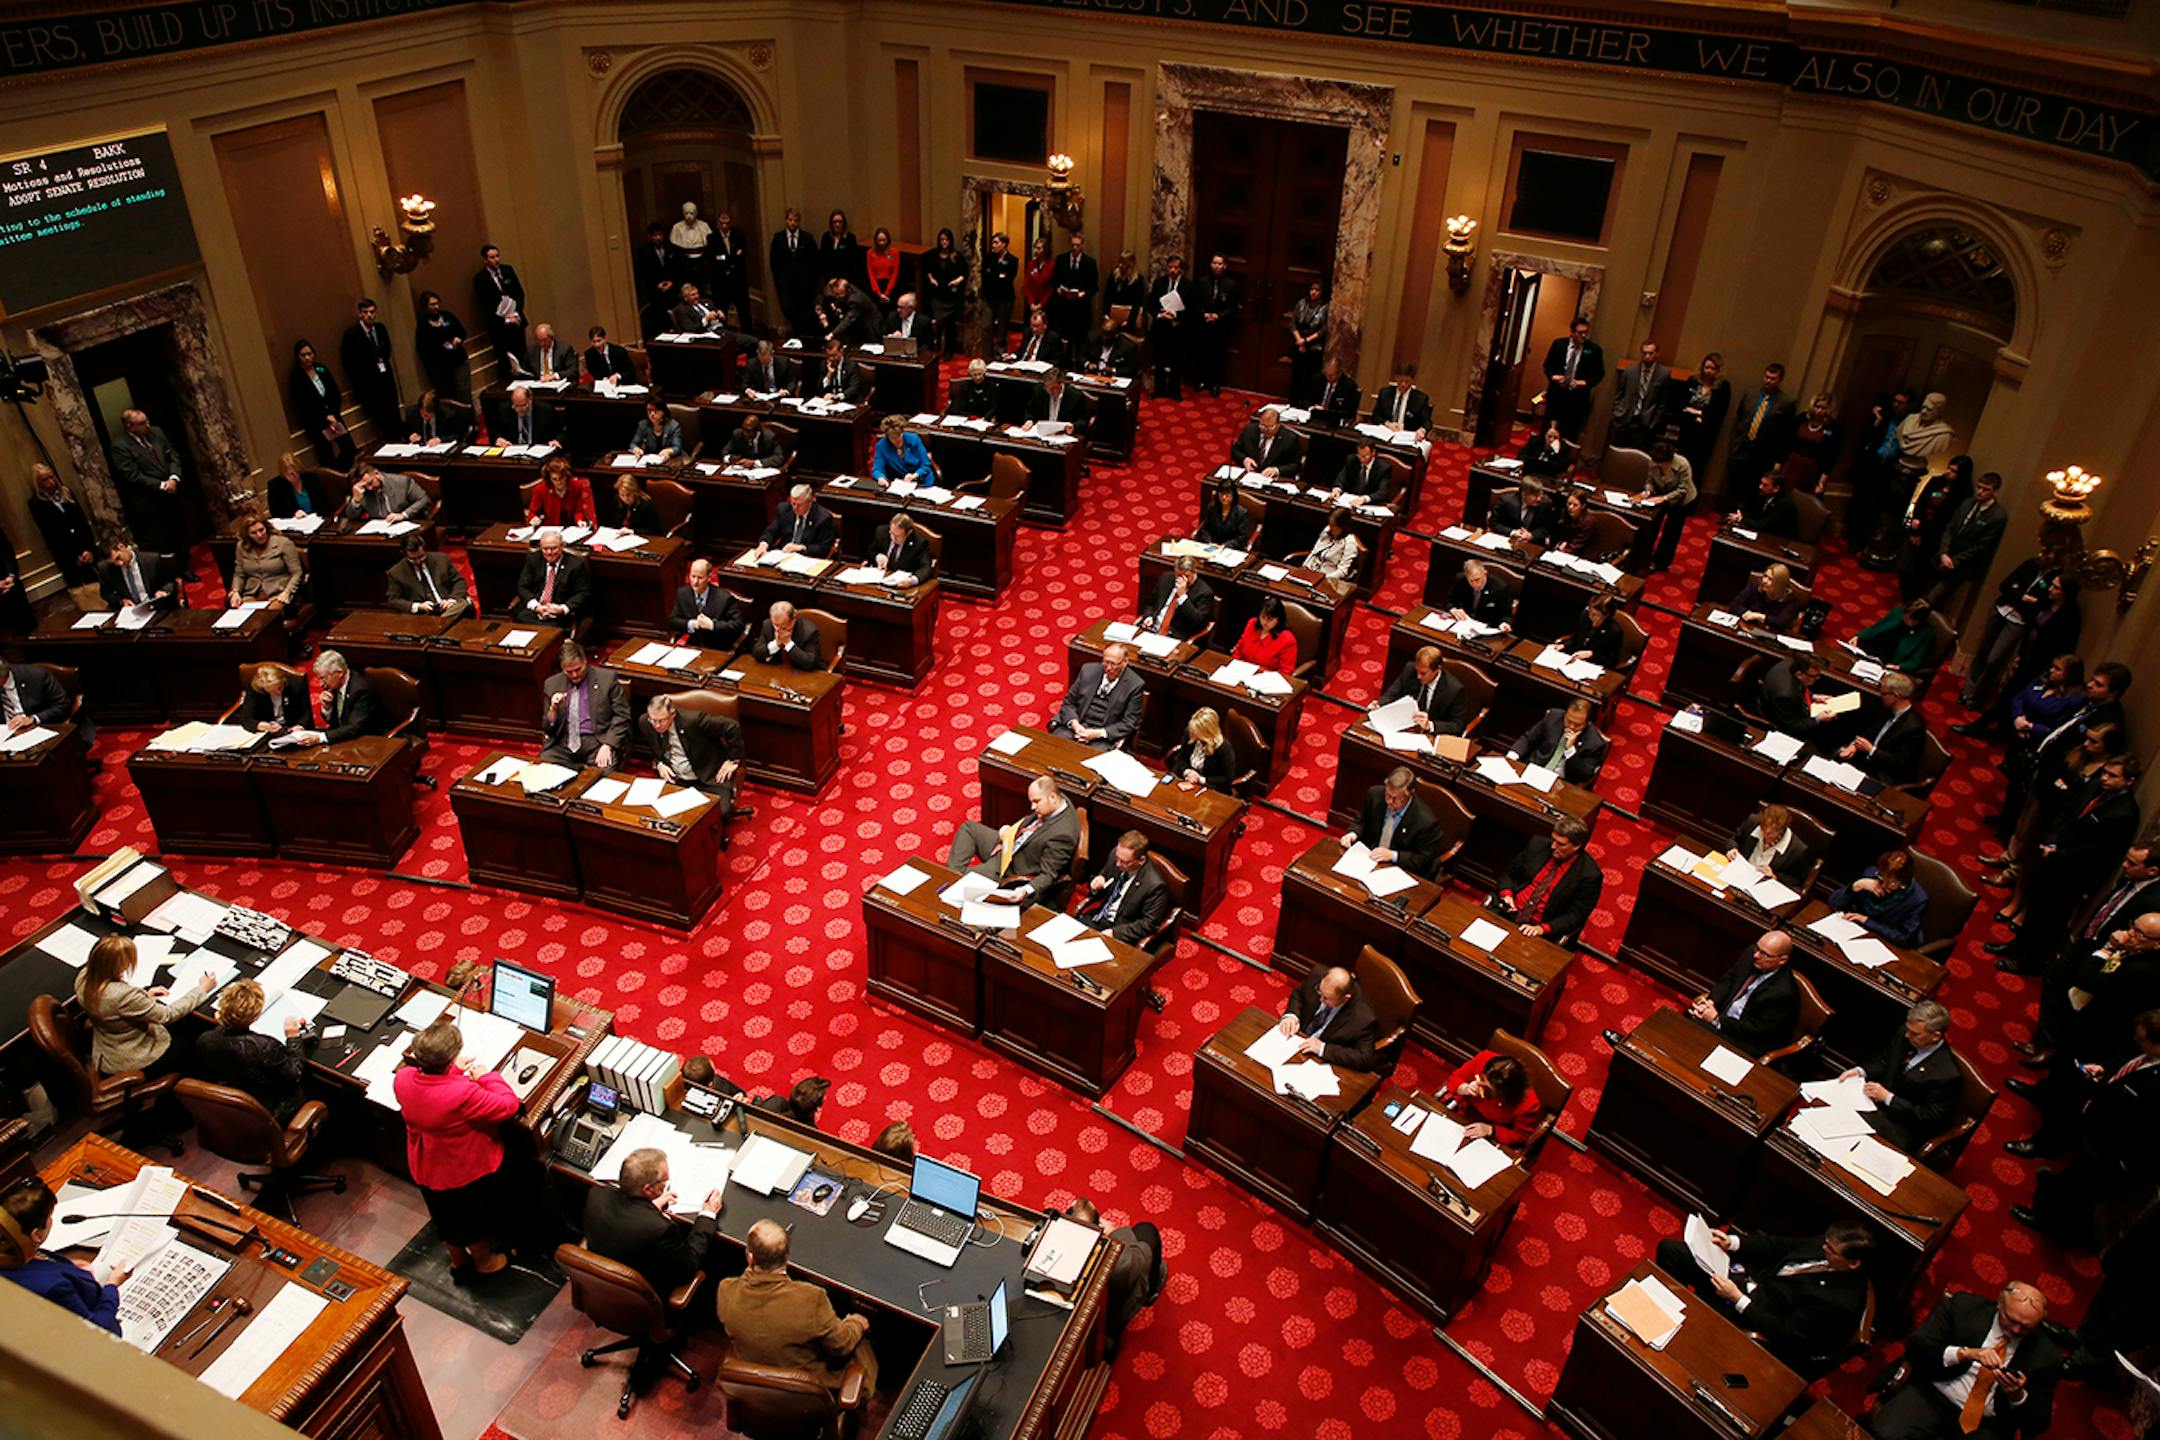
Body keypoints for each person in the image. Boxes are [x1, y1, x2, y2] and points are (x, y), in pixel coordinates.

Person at [2013, 1006, 2160, 1246]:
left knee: (2083, 1192)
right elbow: (2128, 1061)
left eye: (2142, 1040)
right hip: (2095, 1130)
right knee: (2075, 1178)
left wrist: (2120, 1160)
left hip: (2111, 1152)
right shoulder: (2147, 1053)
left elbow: (2148, 1133)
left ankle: (2050, 1224)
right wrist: (2105, 1071)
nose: (2136, 1040)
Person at [1654, 1222, 1872, 1371]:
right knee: (1670, 1250)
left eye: (1831, 1250)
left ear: (1853, 1263)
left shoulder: (1838, 1304)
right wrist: (1733, 1242)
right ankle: (1661, 1312)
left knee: (1695, 1319)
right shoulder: (1830, 1244)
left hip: (1757, 1317)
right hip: (1749, 1280)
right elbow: (1780, 1246)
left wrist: (1738, 1299)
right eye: (1825, 1242)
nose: (1823, 1248)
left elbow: (1787, 1333)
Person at [395, 1018, 519, 1278]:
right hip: (461, 1169)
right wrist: (487, 1076)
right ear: (450, 1058)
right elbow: (508, 1106)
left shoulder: (403, 1079)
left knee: (445, 1217)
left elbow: (430, 1089)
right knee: (472, 1220)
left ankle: (458, 1261)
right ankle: (485, 1263)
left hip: (426, 1165)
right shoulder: (461, 1093)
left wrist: (452, 1071)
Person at [1865, 1282, 2060, 1440]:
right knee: (1886, 1434)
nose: (2017, 1331)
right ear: (1999, 1303)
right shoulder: (1964, 1308)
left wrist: (2018, 1396)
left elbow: (2038, 1423)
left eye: (2026, 1327)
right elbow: (1916, 1346)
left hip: (1985, 1425)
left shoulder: (2047, 1356)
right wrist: (1964, 1354)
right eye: (2011, 1320)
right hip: (1932, 1394)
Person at [715, 1219, 878, 1391]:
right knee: (861, 1340)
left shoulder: (726, 1290)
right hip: (809, 1387)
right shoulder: (811, 1299)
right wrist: (856, 1323)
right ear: (787, 1256)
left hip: (755, 1380)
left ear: (750, 1257)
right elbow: (841, 1346)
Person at [75, 934, 214, 1089]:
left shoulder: (84, 977)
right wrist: (202, 989)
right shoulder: (123, 996)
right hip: (133, 1056)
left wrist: (144, 997)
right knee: (197, 1037)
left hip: (107, 1047)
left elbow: (110, 1007)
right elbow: (168, 1015)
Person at [584, 1147, 724, 1302]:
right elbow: (688, 1267)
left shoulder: (596, 1194)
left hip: (602, 1282)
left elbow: (626, 1217)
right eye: (664, 1180)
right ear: (648, 1189)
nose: (667, 1182)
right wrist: (708, 1214)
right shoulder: (660, 1229)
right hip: (642, 1297)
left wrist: (650, 1207)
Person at [0, 1178, 125, 1334]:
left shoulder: (12, 1251)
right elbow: (97, 1330)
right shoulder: (54, 1286)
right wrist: (113, 1285)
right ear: (36, 1235)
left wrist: (66, 1265)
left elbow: (37, 1264)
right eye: (50, 1217)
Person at [1835, 1001, 1960, 1153]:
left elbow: (1929, 1117)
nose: (1907, 1035)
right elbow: (1886, 1061)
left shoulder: (1948, 1075)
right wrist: (1860, 1071)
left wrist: (1889, 1098)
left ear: (1935, 1036)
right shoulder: (1906, 1034)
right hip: (1875, 1105)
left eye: (1915, 1034)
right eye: (1908, 1030)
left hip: (1903, 1127)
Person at [947, 774, 1082, 905]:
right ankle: (950, 876)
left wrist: (1026, 890)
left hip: (1009, 864)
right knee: (968, 829)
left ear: (1052, 797)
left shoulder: (1063, 835)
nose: (1032, 807)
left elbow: (1048, 875)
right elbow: (1029, 823)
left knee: (964, 880)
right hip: (1010, 842)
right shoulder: (1059, 800)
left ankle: (950, 883)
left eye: (1036, 802)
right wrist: (1010, 831)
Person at [191, 978, 309, 1122]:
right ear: (255, 1015)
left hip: (229, 1100)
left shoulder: (206, 1038)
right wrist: (293, 1036)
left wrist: (221, 1025)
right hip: (267, 1108)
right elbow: (295, 1073)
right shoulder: (264, 1046)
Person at [1061, 1197, 1165, 1349]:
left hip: (1079, 1310)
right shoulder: (1120, 1263)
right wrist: (1115, 1233)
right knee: (1146, 1230)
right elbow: (1140, 1257)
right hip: (1103, 1320)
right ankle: (1151, 1292)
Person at [641, 696, 747, 831]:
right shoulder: (645, 722)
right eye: (653, 720)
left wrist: (734, 759)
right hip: (676, 778)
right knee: (656, 813)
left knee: (721, 813)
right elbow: (655, 748)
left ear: (673, 714)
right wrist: (660, 763)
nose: (656, 725)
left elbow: (732, 726)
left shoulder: (693, 720)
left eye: (661, 721)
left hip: (708, 777)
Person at [1493, 817, 1604, 945]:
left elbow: (1575, 916)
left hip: (1541, 930)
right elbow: (1509, 874)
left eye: (1560, 844)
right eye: (1553, 839)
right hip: (1507, 911)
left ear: (1577, 846)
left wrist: (1541, 929)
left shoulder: (1589, 875)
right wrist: (1507, 895)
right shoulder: (1537, 845)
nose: (1553, 846)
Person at [1688, 932, 1799, 1056]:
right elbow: (1729, 980)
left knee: (1695, 1026)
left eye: (1764, 954)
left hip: (1746, 1039)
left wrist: (1717, 1020)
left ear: (1782, 960)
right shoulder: (1751, 956)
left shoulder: (1783, 993)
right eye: (1757, 948)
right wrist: (1711, 1002)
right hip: (1725, 1017)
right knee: (1690, 1015)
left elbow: (1757, 1030)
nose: (1756, 955)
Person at [1921, 470, 2006, 611]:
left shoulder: (1998, 516)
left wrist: (1954, 561)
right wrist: (1943, 553)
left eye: (1986, 490)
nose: (1980, 492)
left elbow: (1981, 546)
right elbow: (1950, 528)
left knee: (1933, 599)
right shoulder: (1967, 503)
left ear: (1996, 492)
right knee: (1924, 591)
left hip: (1960, 566)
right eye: (1979, 487)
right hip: (1943, 556)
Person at [1276, 964, 1380, 1071]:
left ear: (1345, 998)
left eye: (1326, 998)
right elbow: (1299, 994)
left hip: (1318, 1061)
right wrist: (1292, 1015)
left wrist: (1323, 1048)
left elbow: (1364, 1058)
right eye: (1319, 992)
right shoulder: (1318, 975)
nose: (1320, 999)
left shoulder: (1363, 1018)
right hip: (1293, 1040)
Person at [1077, 831, 1170, 943]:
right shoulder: (1116, 856)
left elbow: (1148, 924)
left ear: (1141, 860)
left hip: (1122, 929)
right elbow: (1103, 882)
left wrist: (1115, 933)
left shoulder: (1154, 885)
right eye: (1117, 858)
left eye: (1125, 862)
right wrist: (1095, 885)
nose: (1117, 864)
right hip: (1099, 917)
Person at [1826, 849, 1929, 947]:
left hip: (1887, 944)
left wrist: (1866, 920)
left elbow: (1902, 938)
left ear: (1904, 882)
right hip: (1854, 934)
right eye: (1882, 877)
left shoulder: (1917, 899)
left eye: (1892, 883)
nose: (1884, 885)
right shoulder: (1871, 875)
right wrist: (1856, 886)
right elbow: (1833, 902)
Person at [1440, 1050, 1542, 1149]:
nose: (1482, 1085)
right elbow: (1454, 1079)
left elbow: (1520, 1136)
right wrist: (1464, 1088)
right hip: (1464, 1114)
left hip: (1491, 1134)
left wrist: (1491, 1130)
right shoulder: (1483, 1058)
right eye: (1483, 1079)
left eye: (1489, 1087)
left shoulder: (1528, 1104)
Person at [1051, 642, 1145, 748]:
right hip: (1077, 726)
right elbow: (1069, 702)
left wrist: (1098, 733)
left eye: (1113, 664)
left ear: (1124, 662)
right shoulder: (1088, 671)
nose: (1108, 668)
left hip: (1103, 736)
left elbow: (1129, 722)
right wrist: (1075, 724)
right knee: (1054, 746)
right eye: (1106, 662)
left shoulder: (1134, 684)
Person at [1354, 768, 1443, 878]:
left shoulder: (1426, 822)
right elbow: (1362, 820)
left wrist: (1393, 855)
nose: (1389, 802)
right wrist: (1353, 833)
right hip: (1368, 858)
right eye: (1388, 795)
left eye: (1396, 799)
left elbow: (1423, 859)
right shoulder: (1375, 794)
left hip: (1400, 870)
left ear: (1410, 794)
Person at [1838, 674, 1926, 784]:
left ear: (1895, 696)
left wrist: (1871, 750)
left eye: (1884, 694)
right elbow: (1870, 731)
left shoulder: (1914, 728)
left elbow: (1900, 763)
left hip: (1884, 774)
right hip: (1867, 761)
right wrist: (1854, 745)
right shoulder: (1887, 708)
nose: (1880, 696)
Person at [1728, 363, 1796, 495]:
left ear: (1780, 381)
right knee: (1734, 485)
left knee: (1753, 489)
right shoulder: (1750, 394)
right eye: (1766, 377)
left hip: (1763, 454)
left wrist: (1778, 460)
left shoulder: (1786, 402)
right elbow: (1740, 417)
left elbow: (1785, 434)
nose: (1768, 381)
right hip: (1741, 448)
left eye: (1772, 379)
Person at [293, 649, 385, 745]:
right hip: (344, 736)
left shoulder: (361, 689)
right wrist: (327, 708)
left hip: (368, 741)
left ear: (339, 673)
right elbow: (335, 722)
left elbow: (354, 728)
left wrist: (319, 738)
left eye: (323, 678)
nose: (321, 684)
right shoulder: (334, 685)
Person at [1508, 700, 1609, 787]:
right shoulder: (1553, 717)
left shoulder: (1595, 742)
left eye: (1578, 725)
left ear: (1587, 723)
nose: (1571, 727)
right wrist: (1511, 756)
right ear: (1565, 714)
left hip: (1562, 783)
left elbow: (1585, 774)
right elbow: (1528, 738)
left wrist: (1570, 750)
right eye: (1568, 721)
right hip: (1534, 769)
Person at [28, 464, 98, 588]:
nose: (50, 482)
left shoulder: (66, 493)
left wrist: (89, 549)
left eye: (51, 477)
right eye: (45, 479)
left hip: (85, 548)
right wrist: (73, 556)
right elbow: (51, 534)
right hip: (67, 556)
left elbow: (82, 522)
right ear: (37, 483)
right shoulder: (36, 504)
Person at [339, 296, 401, 435]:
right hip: (369, 384)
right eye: (366, 312)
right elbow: (349, 362)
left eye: (372, 312)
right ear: (360, 314)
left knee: (394, 412)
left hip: (385, 376)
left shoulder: (380, 329)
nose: (369, 315)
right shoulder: (352, 334)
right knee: (381, 418)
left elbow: (387, 350)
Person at [287, 340, 354, 470]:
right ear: (298, 357)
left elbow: (335, 394)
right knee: (327, 457)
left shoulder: (321, 368)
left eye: (309, 354)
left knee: (349, 448)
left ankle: (342, 472)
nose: (307, 358)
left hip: (333, 418)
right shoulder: (297, 377)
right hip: (316, 423)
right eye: (303, 355)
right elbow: (303, 405)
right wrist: (325, 417)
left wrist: (332, 414)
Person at [1375, 646, 1467, 735]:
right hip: (1403, 726)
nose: (1418, 676)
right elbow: (1392, 693)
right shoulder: (1410, 669)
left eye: (1423, 673)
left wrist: (1430, 725)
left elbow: (1457, 726)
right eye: (1417, 671)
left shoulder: (1454, 689)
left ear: (1437, 669)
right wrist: (1379, 704)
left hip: (1431, 735)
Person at [1636, 440, 1696, 571]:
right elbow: (1650, 480)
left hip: (1681, 500)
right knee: (1652, 524)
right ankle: (1645, 556)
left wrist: (1664, 498)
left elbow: (1682, 490)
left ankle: (1661, 562)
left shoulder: (1682, 464)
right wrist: (1648, 490)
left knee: (1671, 532)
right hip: (1659, 494)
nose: (1658, 465)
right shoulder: (1653, 462)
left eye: (1661, 463)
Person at [1541, 317, 1604, 440]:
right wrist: (1552, 376)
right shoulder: (1559, 344)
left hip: (1577, 399)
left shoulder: (1593, 350)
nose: (1584, 336)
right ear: (1571, 332)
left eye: (1586, 332)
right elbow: (1547, 365)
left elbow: (1599, 373)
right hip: (1556, 395)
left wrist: (1585, 383)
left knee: (1569, 435)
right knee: (1549, 432)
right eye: (1580, 332)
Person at [228, 511, 303, 608]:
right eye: (253, 533)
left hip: (278, 593)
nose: (259, 535)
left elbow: (297, 572)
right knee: (240, 617)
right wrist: (236, 591)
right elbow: (239, 574)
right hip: (252, 593)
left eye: (261, 530)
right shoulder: (242, 546)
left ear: (266, 528)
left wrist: (287, 591)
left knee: (267, 617)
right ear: (247, 535)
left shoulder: (283, 543)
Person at [516, 528, 591, 626]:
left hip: (558, 614)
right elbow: (522, 587)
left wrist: (563, 608)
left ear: (562, 546)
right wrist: (536, 606)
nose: (549, 552)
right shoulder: (534, 559)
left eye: (553, 548)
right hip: (535, 610)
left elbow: (583, 593)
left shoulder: (575, 565)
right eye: (545, 549)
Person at [1673, 351, 1731, 478]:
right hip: (1687, 431)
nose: (1709, 371)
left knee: (1697, 468)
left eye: (1713, 368)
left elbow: (1718, 413)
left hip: (1705, 435)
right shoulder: (1692, 381)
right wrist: (1698, 414)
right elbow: (1682, 406)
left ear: (1718, 370)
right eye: (1707, 367)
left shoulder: (1723, 388)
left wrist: (1697, 412)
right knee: (1680, 465)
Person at [1728, 804, 1813, 887]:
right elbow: (1734, 839)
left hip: (1763, 887)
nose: (1766, 833)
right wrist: (1732, 849)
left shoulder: (1797, 849)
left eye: (1773, 831)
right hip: (1738, 876)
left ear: (1782, 830)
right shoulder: (1752, 822)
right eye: (1763, 827)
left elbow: (1797, 879)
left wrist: (1774, 876)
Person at [386, 533, 469, 617]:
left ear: (425, 550)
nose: (418, 561)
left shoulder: (442, 559)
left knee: (464, 603)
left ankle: (441, 621)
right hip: (424, 614)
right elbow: (393, 600)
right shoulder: (396, 572)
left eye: (421, 556)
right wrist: (418, 606)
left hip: (449, 606)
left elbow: (459, 581)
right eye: (413, 559)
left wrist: (451, 599)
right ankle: (443, 621)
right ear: (405, 555)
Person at [1607, 340, 1670, 451]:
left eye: (1650, 353)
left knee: (1638, 457)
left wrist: (1654, 422)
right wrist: (1617, 412)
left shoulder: (1663, 374)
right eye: (1644, 353)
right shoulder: (1630, 371)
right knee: (1616, 453)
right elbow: (1619, 394)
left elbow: (1663, 402)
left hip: (1645, 423)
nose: (1647, 356)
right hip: (1624, 419)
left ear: (1657, 354)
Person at [472, 242, 528, 366]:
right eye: (492, 257)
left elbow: (519, 293)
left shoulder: (507, 270)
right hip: (499, 327)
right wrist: (505, 319)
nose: (496, 260)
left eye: (497, 256)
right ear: (485, 260)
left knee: (522, 355)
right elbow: (485, 305)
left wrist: (516, 313)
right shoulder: (480, 279)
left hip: (517, 320)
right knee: (506, 360)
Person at [669, 559, 746, 648]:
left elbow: (738, 625)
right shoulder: (683, 593)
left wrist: (712, 625)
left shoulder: (724, 598)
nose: (695, 582)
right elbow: (673, 621)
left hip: (716, 647)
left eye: (700, 578)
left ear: (709, 577)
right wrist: (692, 624)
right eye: (693, 576)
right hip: (691, 644)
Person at [770, 208, 822, 338]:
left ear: (799, 222)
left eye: (795, 220)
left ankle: (802, 336)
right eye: (790, 220)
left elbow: (815, 261)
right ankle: (794, 334)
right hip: (786, 286)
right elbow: (774, 262)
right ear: (786, 220)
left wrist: (812, 283)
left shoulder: (807, 238)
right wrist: (779, 281)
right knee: (789, 311)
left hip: (804, 286)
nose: (793, 223)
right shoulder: (778, 238)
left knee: (804, 313)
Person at [1137, 556, 1216, 641]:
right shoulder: (1165, 578)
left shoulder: (1204, 592)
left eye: (1186, 576)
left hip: (1174, 637)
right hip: (1152, 628)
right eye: (1178, 575)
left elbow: (1198, 622)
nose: (1182, 579)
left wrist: (1183, 597)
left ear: (1194, 572)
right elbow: (1151, 603)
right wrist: (1149, 617)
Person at [1193, 254, 1239, 396]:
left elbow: (1233, 307)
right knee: (1202, 353)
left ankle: (1215, 383)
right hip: (1204, 323)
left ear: (1225, 266)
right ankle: (1202, 380)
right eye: (1214, 263)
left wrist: (1219, 316)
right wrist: (1204, 314)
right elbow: (1195, 302)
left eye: (1220, 263)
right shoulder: (1202, 281)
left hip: (1221, 326)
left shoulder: (1231, 284)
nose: (1217, 266)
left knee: (1218, 356)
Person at [1779, 392, 1842, 495]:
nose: (1819, 411)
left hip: (1812, 468)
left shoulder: (1833, 428)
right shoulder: (1802, 418)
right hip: (1792, 463)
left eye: (1824, 408)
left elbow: (1831, 457)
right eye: (1817, 406)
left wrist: (1822, 481)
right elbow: (1786, 442)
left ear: (1829, 409)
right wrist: (1779, 464)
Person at [414, 290, 471, 401]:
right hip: (441, 368)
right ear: (425, 306)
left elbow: (462, 331)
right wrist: (441, 347)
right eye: (432, 304)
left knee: (464, 393)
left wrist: (458, 339)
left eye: (437, 303)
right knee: (449, 397)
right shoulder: (423, 325)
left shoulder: (447, 316)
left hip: (459, 361)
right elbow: (424, 349)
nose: (436, 306)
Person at [755, 484, 837, 560]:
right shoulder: (784, 509)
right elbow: (771, 531)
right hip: (783, 556)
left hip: (807, 558)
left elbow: (823, 548)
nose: (795, 508)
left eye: (799, 505)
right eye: (793, 503)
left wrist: (800, 547)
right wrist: (763, 544)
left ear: (810, 502)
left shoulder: (823, 517)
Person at [1145, 254, 1189, 397]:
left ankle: (1174, 391)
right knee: (1159, 360)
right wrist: (1159, 314)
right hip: (1160, 327)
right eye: (1170, 267)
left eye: (1176, 267)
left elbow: (1191, 308)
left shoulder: (1188, 285)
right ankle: (1159, 390)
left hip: (1178, 328)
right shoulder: (1159, 282)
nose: (1172, 270)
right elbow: (1151, 304)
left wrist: (1175, 315)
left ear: (1181, 269)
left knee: (1177, 362)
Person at [96, 539, 180, 612]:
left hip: (156, 608)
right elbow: (106, 593)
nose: (119, 564)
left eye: (118, 558)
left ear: (121, 547)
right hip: (131, 611)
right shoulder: (105, 568)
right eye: (113, 563)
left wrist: (163, 590)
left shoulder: (152, 560)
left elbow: (170, 582)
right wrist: (121, 601)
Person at [341, 463, 435, 528]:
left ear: (376, 473)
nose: (369, 488)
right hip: (379, 529)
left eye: (370, 483)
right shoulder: (362, 491)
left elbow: (423, 499)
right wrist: (356, 501)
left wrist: (403, 515)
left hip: (405, 524)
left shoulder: (402, 482)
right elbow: (351, 518)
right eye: (365, 486)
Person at [1164, 708, 1235, 792]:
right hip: (1185, 776)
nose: (1193, 734)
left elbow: (1228, 778)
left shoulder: (1223, 747)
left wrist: (1200, 779)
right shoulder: (1190, 732)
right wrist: (1187, 771)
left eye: (1198, 732)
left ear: (1208, 733)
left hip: (1208, 785)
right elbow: (1182, 758)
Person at [921, 228, 968, 356]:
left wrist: (957, 281)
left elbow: (964, 273)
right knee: (937, 324)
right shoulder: (933, 255)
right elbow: (928, 270)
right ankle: (936, 347)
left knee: (950, 326)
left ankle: (949, 350)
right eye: (942, 239)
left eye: (946, 240)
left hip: (951, 295)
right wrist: (931, 279)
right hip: (938, 294)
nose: (944, 242)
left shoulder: (956, 256)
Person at [1757, 654, 1826, 739]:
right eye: (1814, 676)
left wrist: (1813, 697)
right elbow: (1792, 726)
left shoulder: (1793, 663)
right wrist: (1818, 719)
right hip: (1777, 722)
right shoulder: (1785, 695)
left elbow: (1799, 688)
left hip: (1785, 707)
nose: (1817, 678)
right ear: (1799, 674)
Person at [1231, 595, 1299, 677]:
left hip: (1266, 680)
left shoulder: (1287, 640)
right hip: (1241, 673)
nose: (1265, 622)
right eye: (1263, 617)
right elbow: (1238, 650)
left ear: (1279, 619)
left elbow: (1285, 672)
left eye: (1270, 619)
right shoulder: (1252, 624)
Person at [1050, 232, 1098, 342]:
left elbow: (1094, 287)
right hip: (1064, 306)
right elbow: (1055, 280)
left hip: (1081, 308)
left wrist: (1083, 293)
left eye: (1078, 245)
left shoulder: (1090, 262)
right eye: (1073, 245)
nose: (1075, 248)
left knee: (1080, 338)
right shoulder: (1061, 260)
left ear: (1082, 245)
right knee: (1063, 337)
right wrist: (1058, 288)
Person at [979, 230, 1020, 360]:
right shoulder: (988, 258)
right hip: (989, 298)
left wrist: (995, 276)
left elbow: (1008, 279)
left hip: (1005, 299)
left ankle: (999, 355)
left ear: (1004, 244)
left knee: (1002, 329)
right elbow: (986, 276)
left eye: (996, 243)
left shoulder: (1012, 260)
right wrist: (998, 276)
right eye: (993, 242)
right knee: (986, 327)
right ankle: (987, 357)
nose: (993, 245)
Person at [751, 601, 825, 671]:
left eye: (783, 626)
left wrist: (788, 643)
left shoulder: (809, 631)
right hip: (779, 672)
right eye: (775, 625)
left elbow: (810, 663)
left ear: (793, 619)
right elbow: (756, 653)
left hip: (803, 673)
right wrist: (776, 644)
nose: (778, 630)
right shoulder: (768, 625)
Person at [526, 457, 597, 529]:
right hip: (549, 528)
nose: (559, 482)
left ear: (566, 475)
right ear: (549, 478)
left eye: (561, 478)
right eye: (554, 479)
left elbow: (578, 510)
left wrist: (579, 521)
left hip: (571, 527)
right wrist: (533, 518)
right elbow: (533, 512)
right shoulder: (541, 489)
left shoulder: (576, 486)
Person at [1732, 562, 1804, 632]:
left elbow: (1781, 623)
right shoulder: (1755, 586)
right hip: (1747, 628)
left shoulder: (1790, 600)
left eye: (1770, 579)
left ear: (1779, 584)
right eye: (1765, 576)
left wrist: (1759, 616)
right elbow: (1735, 604)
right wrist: (1746, 613)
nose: (1764, 581)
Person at [1286, 280, 1328, 400]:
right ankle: (1293, 400)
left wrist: (1306, 340)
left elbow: (1324, 329)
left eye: (1317, 290)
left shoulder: (1324, 307)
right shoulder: (1301, 303)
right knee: (1296, 375)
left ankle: (1306, 401)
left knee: (1310, 377)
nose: (1314, 292)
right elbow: (1293, 322)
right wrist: (1299, 339)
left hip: (1314, 346)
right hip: (1299, 343)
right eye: (1312, 289)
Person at [1727, 468, 1799, 538]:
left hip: (1779, 540)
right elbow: (1753, 514)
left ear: (1776, 488)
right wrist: (1740, 516)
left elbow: (1763, 525)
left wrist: (1741, 519)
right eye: (1761, 483)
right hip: (1764, 534)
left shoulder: (1784, 504)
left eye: (1765, 485)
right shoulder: (1763, 495)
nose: (1760, 487)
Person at [240, 661, 308, 733]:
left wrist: (300, 726)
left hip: (292, 728)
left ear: (283, 680)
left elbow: (307, 713)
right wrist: (261, 725)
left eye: (279, 688)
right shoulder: (256, 690)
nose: (278, 693)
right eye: (272, 691)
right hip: (269, 732)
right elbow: (246, 719)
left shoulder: (296, 684)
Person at [1448, 558, 1516, 629]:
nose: (1474, 584)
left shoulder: (1501, 588)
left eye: (1477, 579)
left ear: (1485, 573)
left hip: (1488, 626)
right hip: (1464, 623)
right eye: (1471, 581)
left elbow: (1507, 615)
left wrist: (1504, 623)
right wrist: (1454, 610)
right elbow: (1449, 601)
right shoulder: (1461, 580)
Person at [0, 661, 68, 732]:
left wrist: (33, 719)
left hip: (40, 729)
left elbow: (63, 705)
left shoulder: (38, 676)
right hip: (6, 732)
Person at [1562, 594, 1625, 668]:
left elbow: (1611, 661)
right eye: (1590, 612)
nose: (1590, 616)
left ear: (1606, 615)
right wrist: (1564, 645)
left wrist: (1591, 654)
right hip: (1574, 660)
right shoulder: (1585, 615)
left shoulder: (1615, 631)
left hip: (1593, 666)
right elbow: (1575, 638)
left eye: (1595, 615)